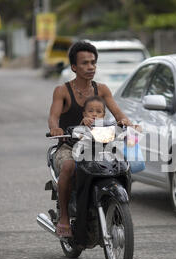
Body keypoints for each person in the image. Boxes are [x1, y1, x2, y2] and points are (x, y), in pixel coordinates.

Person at [48, 41, 134, 238]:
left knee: (122, 165)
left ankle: (116, 207)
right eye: (85, 63)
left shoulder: (102, 89)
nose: (90, 67)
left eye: (93, 63)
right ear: (74, 67)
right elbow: (53, 116)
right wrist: (55, 128)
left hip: (99, 145)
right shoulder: (62, 91)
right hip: (69, 145)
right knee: (69, 167)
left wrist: (125, 121)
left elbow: (117, 112)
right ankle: (63, 217)